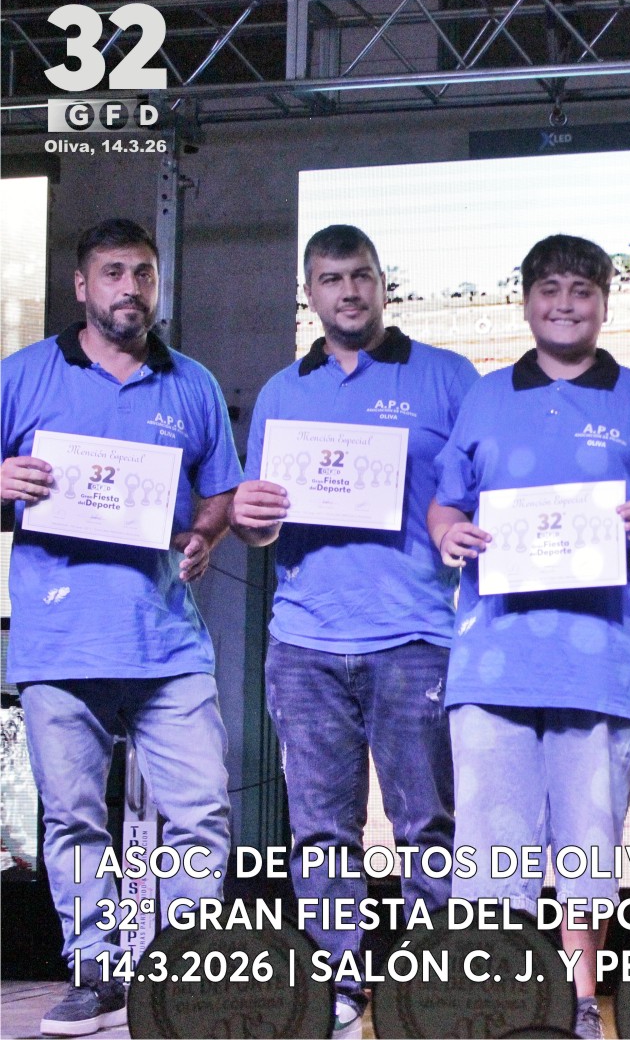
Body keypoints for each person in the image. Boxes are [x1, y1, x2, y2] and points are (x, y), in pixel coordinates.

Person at [429, 234, 630, 1040]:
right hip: (495, 659)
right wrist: (448, 534)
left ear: (605, 302)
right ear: (526, 301)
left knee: (587, 844)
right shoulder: (486, 396)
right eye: (550, 288)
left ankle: (577, 1003)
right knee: (490, 847)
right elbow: (446, 502)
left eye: (582, 289)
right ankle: (502, 999)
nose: (565, 304)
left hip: (604, 661)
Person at [229, 224, 477, 1039]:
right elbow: (260, 525)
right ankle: (341, 980)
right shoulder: (282, 393)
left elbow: (478, 494)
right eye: (332, 279)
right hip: (304, 643)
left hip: (414, 637)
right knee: (322, 832)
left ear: (382, 282)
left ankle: (433, 980)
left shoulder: (447, 377)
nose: (349, 291)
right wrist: (250, 519)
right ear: (310, 293)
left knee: (428, 825)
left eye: (362, 275)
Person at [1, 218, 240, 1037]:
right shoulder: (22, 376)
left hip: (167, 642)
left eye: (143, 272)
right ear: (82, 286)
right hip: (59, 643)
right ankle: (97, 974)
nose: (130, 287)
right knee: (74, 819)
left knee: (202, 813)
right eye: (112, 272)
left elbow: (220, 491)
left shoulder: (193, 383)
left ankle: (186, 974)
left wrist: (205, 533)